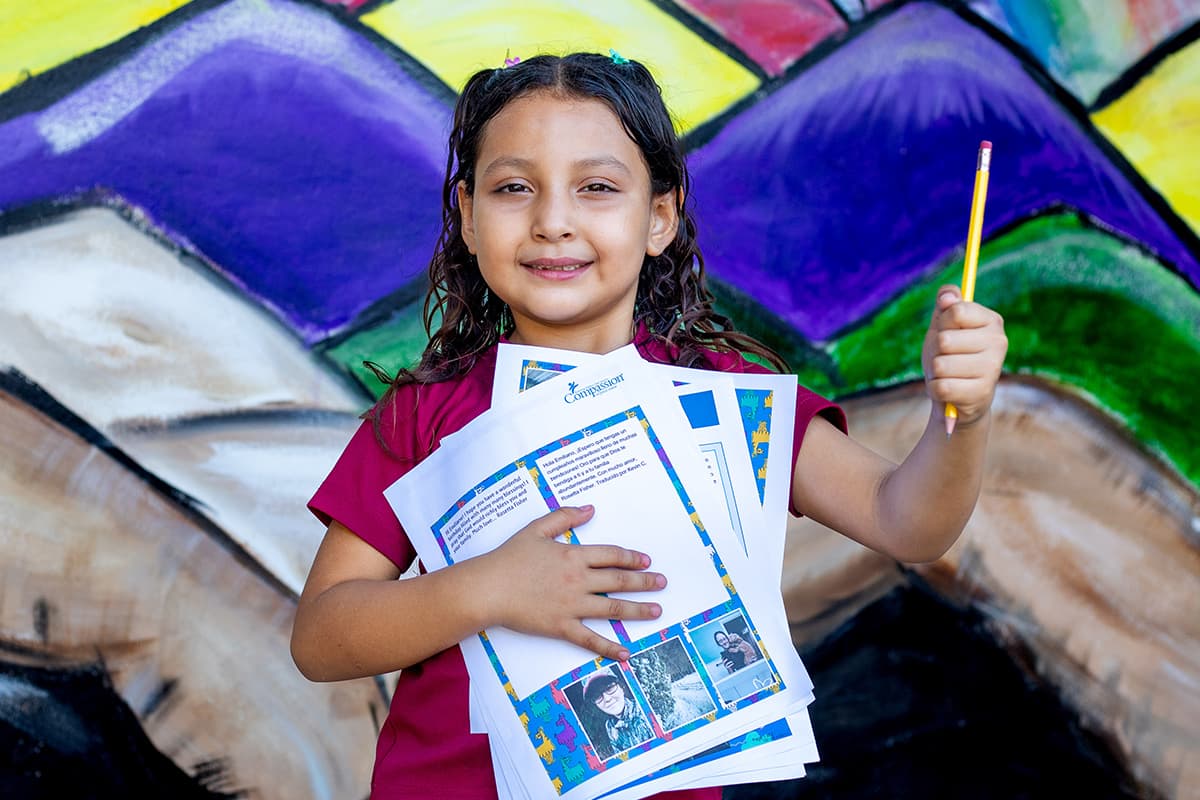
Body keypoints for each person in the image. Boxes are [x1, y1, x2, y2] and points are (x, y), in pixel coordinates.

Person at [289, 51, 1007, 800]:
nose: (552, 221)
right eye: (513, 188)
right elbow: (322, 636)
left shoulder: (730, 403)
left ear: (659, 215)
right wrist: (485, 589)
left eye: (596, 187)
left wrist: (967, 416)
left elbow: (908, 522)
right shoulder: (423, 411)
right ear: (468, 216)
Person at [582, 671, 654, 757]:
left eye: (609, 688)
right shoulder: (610, 726)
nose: (607, 698)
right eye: (597, 696)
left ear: (621, 687)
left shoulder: (646, 709)